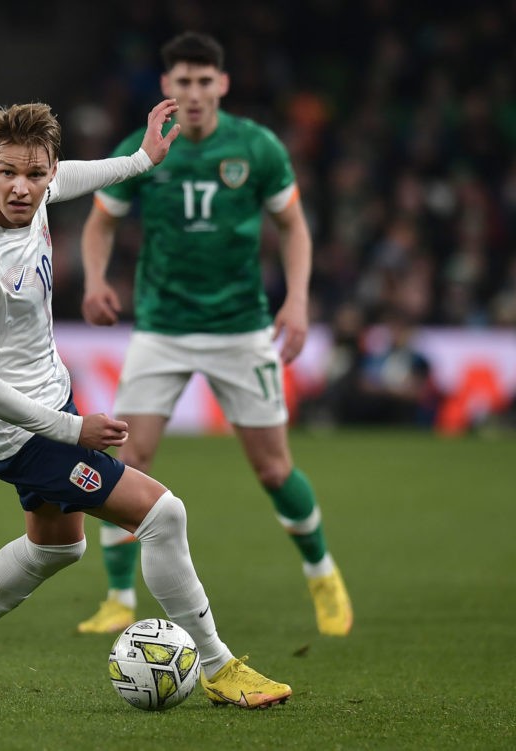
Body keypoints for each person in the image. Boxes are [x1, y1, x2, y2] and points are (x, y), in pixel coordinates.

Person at [0, 98, 291, 709]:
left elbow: (76, 176)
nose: (23, 187)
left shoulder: (37, 190)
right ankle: (222, 670)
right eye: (7, 172)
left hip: (50, 398)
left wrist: (142, 158)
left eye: (36, 174)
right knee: (163, 515)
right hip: (15, 432)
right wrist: (74, 428)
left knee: (57, 546)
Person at [76, 31, 352, 638]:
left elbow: (295, 227)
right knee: (126, 459)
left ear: (222, 85)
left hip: (240, 328)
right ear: (166, 87)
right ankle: (119, 596)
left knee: (275, 469)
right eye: (183, 82)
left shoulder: (257, 147)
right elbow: (100, 224)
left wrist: (299, 301)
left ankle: (322, 572)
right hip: (162, 328)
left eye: (204, 82)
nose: (194, 94)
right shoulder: (144, 149)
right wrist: (95, 278)